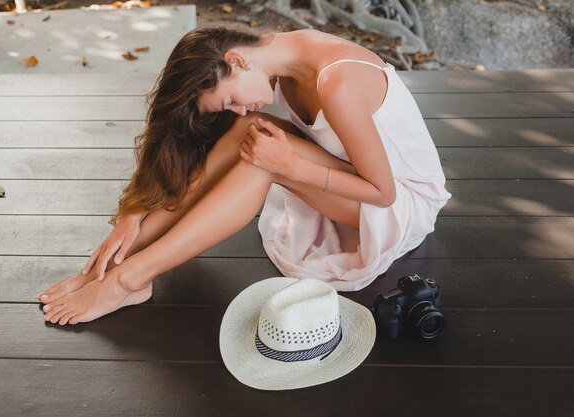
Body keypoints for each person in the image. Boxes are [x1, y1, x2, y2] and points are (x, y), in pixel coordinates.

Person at [36, 26, 451, 325]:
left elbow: (382, 193)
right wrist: (134, 214)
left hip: (400, 204)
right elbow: (189, 136)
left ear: (236, 60)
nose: (239, 107)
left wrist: (289, 167)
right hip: (349, 184)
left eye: (230, 98)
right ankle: (112, 265)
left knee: (259, 158)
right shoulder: (284, 58)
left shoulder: (337, 83)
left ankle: (130, 278)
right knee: (245, 133)